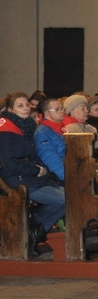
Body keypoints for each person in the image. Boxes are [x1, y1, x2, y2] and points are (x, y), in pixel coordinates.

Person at [0, 92, 66, 255]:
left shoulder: (27, 126)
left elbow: (35, 155)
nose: (25, 109)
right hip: (16, 179)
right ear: (9, 109)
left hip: (31, 176)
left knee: (69, 195)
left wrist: (43, 170)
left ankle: (32, 231)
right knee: (64, 199)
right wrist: (36, 170)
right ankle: (32, 230)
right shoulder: (7, 129)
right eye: (20, 106)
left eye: (27, 105)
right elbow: (10, 164)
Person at [34, 98, 67, 182]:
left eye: (62, 108)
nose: (62, 111)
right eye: (57, 109)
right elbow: (50, 158)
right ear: (47, 113)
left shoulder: (63, 129)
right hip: (58, 176)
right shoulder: (42, 132)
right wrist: (68, 176)